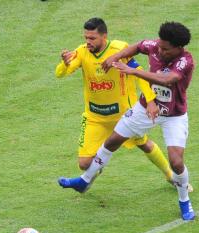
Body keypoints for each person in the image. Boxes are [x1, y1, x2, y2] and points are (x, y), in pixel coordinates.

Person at [59, 21, 196, 220]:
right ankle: (84, 180)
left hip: (173, 116)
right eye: (159, 44)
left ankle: (184, 201)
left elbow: (168, 80)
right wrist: (116, 56)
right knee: (112, 141)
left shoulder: (185, 61)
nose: (159, 50)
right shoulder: (155, 46)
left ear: (178, 48)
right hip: (142, 109)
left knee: (176, 162)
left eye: (165, 49)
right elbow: (138, 46)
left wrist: (132, 70)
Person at [55, 18, 173, 191]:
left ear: (104, 36)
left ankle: (171, 175)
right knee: (83, 163)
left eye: (92, 38)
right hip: (95, 117)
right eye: (86, 37)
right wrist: (64, 64)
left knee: (144, 143)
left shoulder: (119, 50)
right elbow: (60, 73)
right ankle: (92, 174)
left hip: (124, 116)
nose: (88, 41)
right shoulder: (81, 52)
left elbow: (140, 74)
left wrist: (149, 101)